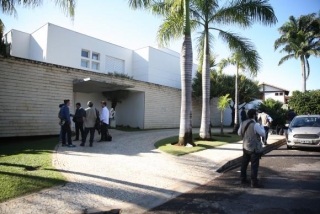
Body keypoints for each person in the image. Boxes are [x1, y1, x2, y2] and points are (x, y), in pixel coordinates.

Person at [238, 109, 265, 188]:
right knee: (254, 166)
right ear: (254, 115)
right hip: (254, 148)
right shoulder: (255, 124)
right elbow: (262, 134)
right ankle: (254, 182)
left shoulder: (242, 123)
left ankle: (243, 179)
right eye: (256, 114)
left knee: (244, 164)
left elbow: (239, 133)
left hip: (245, 147)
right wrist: (262, 127)